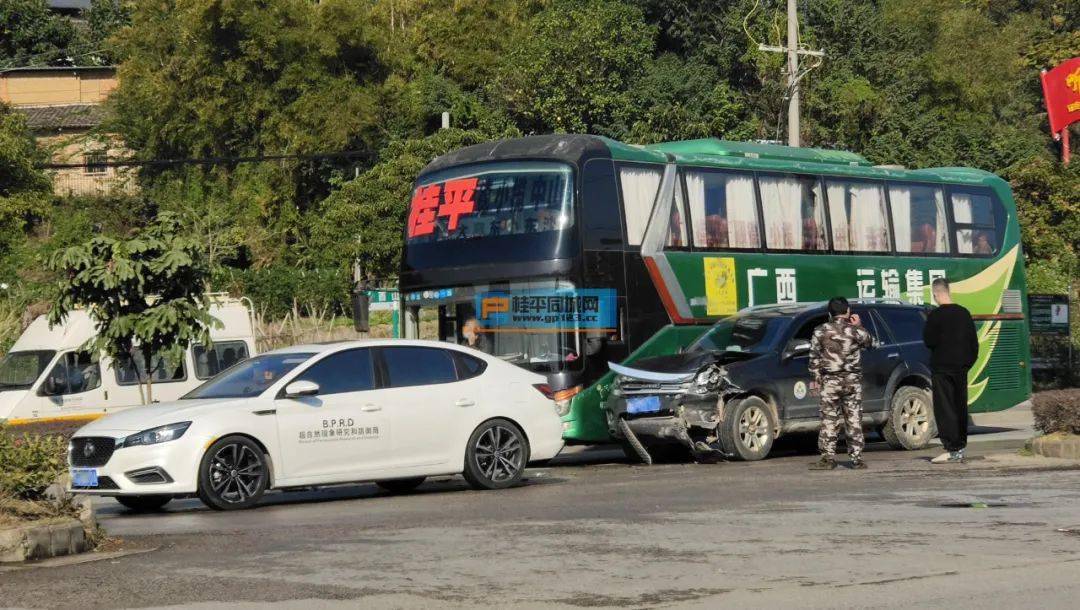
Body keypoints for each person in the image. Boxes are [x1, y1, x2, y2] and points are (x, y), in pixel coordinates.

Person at [808, 296, 874, 470]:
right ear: (848, 312)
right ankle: (857, 459)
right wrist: (858, 325)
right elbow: (872, 343)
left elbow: (813, 358)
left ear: (829, 313)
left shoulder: (820, 331)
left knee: (829, 419)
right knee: (853, 418)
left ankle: (828, 458)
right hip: (852, 381)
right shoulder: (856, 332)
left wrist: (817, 378)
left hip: (830, 381)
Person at [924, 278, 979, 464]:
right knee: (960, 406)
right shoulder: (964, 313)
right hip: (961, 368)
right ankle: (960, 446)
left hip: (941, 368)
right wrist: (966, 364)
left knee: (945, 408)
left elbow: (929, 341)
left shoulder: (935, 316)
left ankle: (951, 448)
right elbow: (974, 344)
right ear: (949, 291)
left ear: (936, 294)